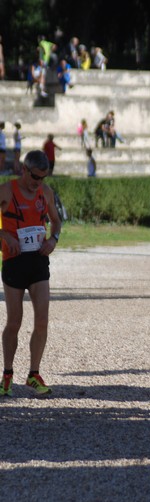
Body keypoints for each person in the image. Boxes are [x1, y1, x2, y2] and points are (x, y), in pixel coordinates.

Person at [0, 150, 62, 397]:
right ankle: (7, 375)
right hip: (14, 262)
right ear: (24, 170)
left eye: (43, 178)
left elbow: (56, 221)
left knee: (42, 320)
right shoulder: (6, 191)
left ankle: (33, 374)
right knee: (14, 322)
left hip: (38, 261)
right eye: (35, 176)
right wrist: (3, 234)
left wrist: (54, 240)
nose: (39, 182)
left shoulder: (44, 193)